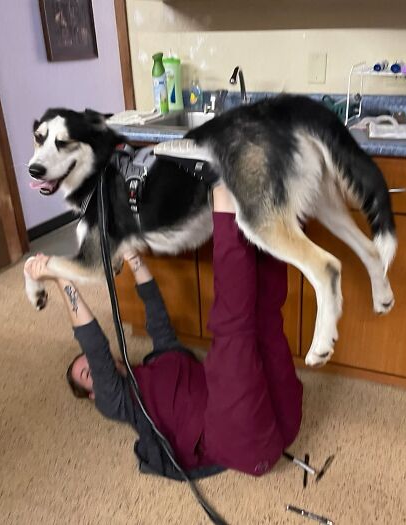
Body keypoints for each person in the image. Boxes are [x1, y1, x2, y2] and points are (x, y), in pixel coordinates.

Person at [23, 185, 303, 479]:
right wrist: (58, 277)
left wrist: (132, 258)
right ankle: (227, 191)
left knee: (266, 317)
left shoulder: (162, 357)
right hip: (242, 444)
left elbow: (154, 309)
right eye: (88, 373)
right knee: (234, 329)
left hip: (282, 419)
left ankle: (269, 193)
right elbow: (95, 346)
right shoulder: (118, 402)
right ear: (94, 394)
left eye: (86, 365)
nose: (93, 366)